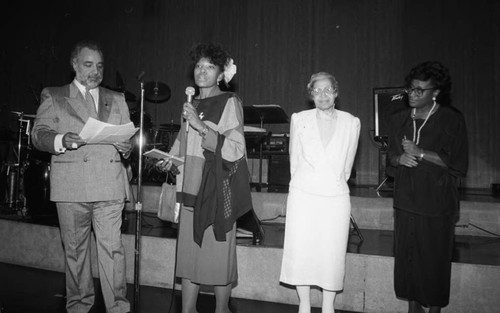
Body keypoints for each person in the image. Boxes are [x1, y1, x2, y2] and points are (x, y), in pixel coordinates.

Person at [31, 40, 133, 313]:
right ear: (74, 65)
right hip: (72, 185)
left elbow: (127, 139)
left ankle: (118, 308)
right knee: (76, 253)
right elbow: (37, 134)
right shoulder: (54, 95)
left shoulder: (118, 99)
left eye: (99, 66)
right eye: (88, 65)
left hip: (109, 183)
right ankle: (79, 306)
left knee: (113, 251)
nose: (95, 71)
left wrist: (127, 147)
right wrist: (61, 139)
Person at [157, 43, 252, 313]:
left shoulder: (229, 102)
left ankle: (221, 310)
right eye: (199, 65)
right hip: (190, 187)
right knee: (189, 255)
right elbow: (183, 141)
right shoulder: (192, 103)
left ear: (221, 74)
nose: (202, 71)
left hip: (217, 189)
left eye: (210, 66)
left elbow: (235, 149)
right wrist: (170, 158)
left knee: (218, 256)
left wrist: (200, 126)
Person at [387, 61, 468, 313]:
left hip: (436, 202)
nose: (412, 94)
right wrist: (399, 158)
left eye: (419, 90)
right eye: (410, 89)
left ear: (435, 93)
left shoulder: (450, 119)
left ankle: (434, 309)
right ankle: (413, 307)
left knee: (434, 259)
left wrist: (421, 153)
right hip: (406, 201)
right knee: (407, 257)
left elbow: (457, 163)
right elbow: (390, 158)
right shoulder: (398, 119)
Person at [280, 72, 361, 313]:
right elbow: (294, 160)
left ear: (336, 92)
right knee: (301, 249)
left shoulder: (351, 122)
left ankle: (328, 307)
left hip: (335, 196)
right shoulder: (299, 119)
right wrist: (304, 185)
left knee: (332, 252)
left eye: (327, 90)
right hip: (303, 194)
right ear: (310, 95)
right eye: (317, 91)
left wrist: (331, 184)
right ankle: (304, 305)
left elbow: (347, 165)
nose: (322, 95)